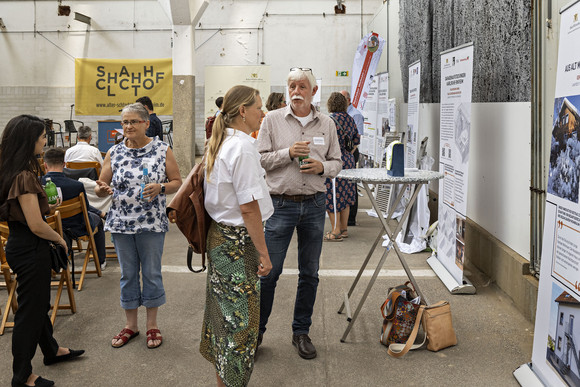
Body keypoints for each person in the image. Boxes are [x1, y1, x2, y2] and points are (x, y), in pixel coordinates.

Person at [257, 68, 342, 359]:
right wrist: (288, 153)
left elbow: (337, 162)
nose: (297, 91)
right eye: (292, 85)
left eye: (302, 86)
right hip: (280, 205)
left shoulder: (327, 123)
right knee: (269, 273)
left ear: (313, 91)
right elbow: (260, 160)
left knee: (310, 273)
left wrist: (322, 168)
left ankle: (301, 332)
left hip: (315, 205)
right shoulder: (272, 120)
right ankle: (256, 334)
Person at [0, 115, 84, 387]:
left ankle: (51, 350)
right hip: (29, 247)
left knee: (37, 304)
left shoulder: (10, 169)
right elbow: (36, 224)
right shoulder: (24, 176)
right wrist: (59, 239)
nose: (45, 141)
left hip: (20, 244)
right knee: (30, 312)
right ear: (29, 141)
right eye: (42, 137)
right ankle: (22, 375)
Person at [198, 85, 273, 387]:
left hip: (220, 238)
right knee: (240, 328)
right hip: (237, 244)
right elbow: (248, 208)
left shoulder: (221, 142)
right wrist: (264, 253)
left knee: (223, 320)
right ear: (242, 111)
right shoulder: (241, 147)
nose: (262, 113)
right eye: (258, 107)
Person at [95, 103, 181, 350]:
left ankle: (152, 324)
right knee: (128, 274)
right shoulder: (114, 152)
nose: (128, 126)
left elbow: (177, 181)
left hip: (151, 223)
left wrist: (161, 188)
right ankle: (130, 325)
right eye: (124, 122)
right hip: (121, 223)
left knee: (151, 272)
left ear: (146, 123)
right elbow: (102, 182)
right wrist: (101, 188)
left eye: (133, 121)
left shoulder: (162, 149)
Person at [41, 148, 108, 271]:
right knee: (97, 220)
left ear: (45, 165)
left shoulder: (37, 184)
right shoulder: (76, 185)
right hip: (75, 227)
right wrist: (99, 212)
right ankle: (101, 260)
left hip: (48, 227)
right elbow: (85, 208)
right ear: (65, 164)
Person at [324, 92, 361, 241]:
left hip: (334, 162)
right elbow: (356, 140)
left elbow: (325, 143)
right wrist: (348, 153)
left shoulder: (329, 121)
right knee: (345, 196)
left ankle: (335, 230)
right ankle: (344, 228)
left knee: (332, 195)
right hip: (349, 161)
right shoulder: (350, 119)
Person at [340, 90, 364, 227]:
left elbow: (357, 139)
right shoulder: (341, 115)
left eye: (342, 98)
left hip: (350, 153)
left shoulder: (356, 115)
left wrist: (348, 154)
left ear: (349, 100)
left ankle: (351, 218)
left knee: (350, 184)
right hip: (343, 153)